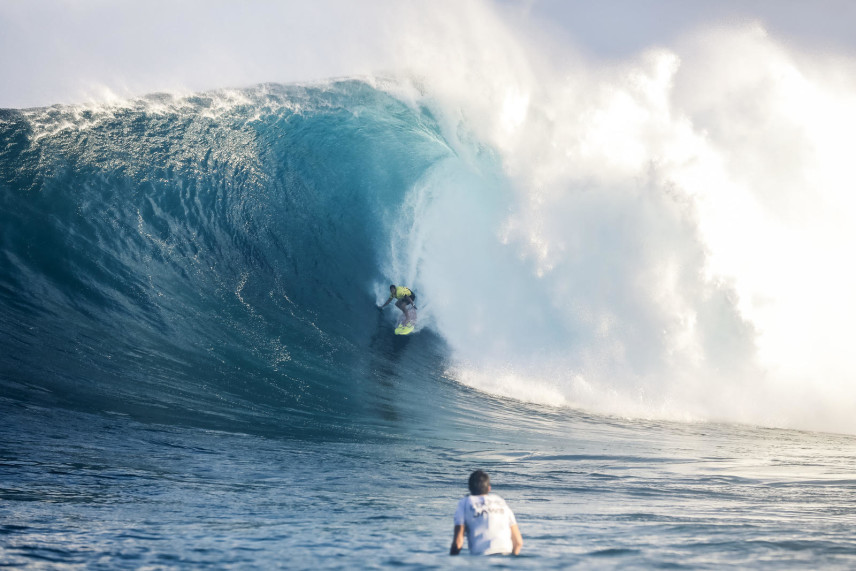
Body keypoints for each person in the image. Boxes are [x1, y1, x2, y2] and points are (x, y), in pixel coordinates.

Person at [450, 470, 523, 556]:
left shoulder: (465, 502)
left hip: (481, 558)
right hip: (506, 557)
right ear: (489, 488)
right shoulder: (501, 502)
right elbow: (518, 542)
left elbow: (458, 543)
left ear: (470, 488)